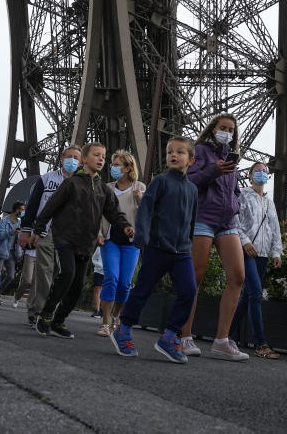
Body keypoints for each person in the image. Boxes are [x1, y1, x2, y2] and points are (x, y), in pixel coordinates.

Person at [26, 142, 134, 339]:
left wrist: (125, 226)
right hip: (65, 237)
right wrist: (38, 229)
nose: (101, 159)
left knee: (76, 286)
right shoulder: (71, 183)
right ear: (84, 159)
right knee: (67, 273)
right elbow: (50, 206)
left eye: (103, 156)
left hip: (86, 242)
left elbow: (114, 213)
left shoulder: (104, 190)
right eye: (96, 155)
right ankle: (45, 316)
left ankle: (59, 321)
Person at [110, 137, 198, 363]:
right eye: (170, 152)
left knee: (189, 291)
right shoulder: (160, 182)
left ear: (191, 160)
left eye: (180, 152)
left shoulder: (192, 189)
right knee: (142, 290)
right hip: (158, 248)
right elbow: (146, 209)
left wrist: (189, 242)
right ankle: (124, 328)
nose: (173, 155)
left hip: (182, 252)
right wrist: (142, 237)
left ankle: (170, 336)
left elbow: (191, 219)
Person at [177, 113, 248, 361]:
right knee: (195, 276)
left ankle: (221, 340)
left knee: (238, 276)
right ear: (213, 129)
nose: (227, 132)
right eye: (223, 128)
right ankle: (184, 335)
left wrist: (235, 203)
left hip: (227, 222)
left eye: (231, 129)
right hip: (203, 218)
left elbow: (235, 189)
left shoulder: (232, 157)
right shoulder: (201, 151)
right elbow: (189, 180)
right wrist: (212, 171)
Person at [20, 146, 82, 326]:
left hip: (69, 235)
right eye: (69, 156)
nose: (72, 160)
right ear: (62, 159)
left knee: (58, 274)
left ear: (80, 162)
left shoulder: (81, 183)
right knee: (45, 271)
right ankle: (41, 312)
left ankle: (34, 307)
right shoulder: (46, 179)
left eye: (76, 157)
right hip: (46, 231)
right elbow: (32, 206)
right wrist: (26, 230)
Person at [231, 162, 283, 359]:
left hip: (262, 254)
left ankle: (226, 334)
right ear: (250, 175)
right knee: (255, 293)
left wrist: (276, 252)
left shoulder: (269, 202)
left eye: (264, 171)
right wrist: (244, 242)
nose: (261, 173)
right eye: (257, 171)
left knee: (247, 296)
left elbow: (274, 227)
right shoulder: (242, 195)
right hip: (246, 250)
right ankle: (261, 343)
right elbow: (234, 219)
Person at [97, 150, 146, 336]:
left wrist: (141, 201)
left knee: (125, 283)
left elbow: (146, 215)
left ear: (127, 168)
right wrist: (98, 234)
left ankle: (117, 316)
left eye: (117, 165)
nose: (113, 168)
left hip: (131, 241)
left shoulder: (139, 187)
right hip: (110, 239)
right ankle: (105, 322)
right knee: (111, 279)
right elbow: (98, 213)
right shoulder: (106, 188)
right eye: (113, 164)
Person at [0, 202, 23, 307]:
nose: (23, 212)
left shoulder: (19, 222)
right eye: (21, 210)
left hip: (12, 253)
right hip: (1, 250)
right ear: (16, 210)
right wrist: (11, 232)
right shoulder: (5, 220)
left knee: (11, 276)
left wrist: (20, 252)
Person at [91, 247, 104, 319]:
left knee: (107, 290)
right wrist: (99, 266)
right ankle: (97, 310)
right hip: (98, 271)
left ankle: (103, 310)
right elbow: (94, 258)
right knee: (97, 289)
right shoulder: (99, 248)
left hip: (108, 272)